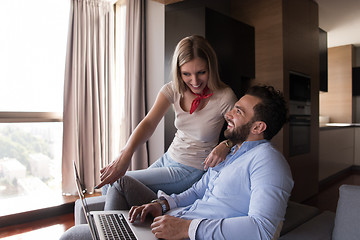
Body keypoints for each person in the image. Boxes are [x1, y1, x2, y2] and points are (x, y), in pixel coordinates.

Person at [61, 85, 294, 240]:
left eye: (239, 112)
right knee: (91, 230)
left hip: (186, 234)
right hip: (175, 222)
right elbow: (197, 191)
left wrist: (185, 228)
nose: (228, 115)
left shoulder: (268, 162)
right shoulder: (232, 153)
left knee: (72, 237)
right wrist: (161, 205)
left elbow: (263, 229)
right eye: (233, 108)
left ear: (258, 127)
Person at [95, 35, 237, 195]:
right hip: (168, 158)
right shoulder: (172, 90)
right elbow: (149, 123)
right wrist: (125, 154)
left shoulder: (225, 96)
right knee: (113, 183)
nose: (195, 81)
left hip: (191, 169)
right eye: (186, 74)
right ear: (178, 72)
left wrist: (226, 145)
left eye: (201, 72)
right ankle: (110, 220)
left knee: (115, 184)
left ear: (211, 68)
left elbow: (243, 132)